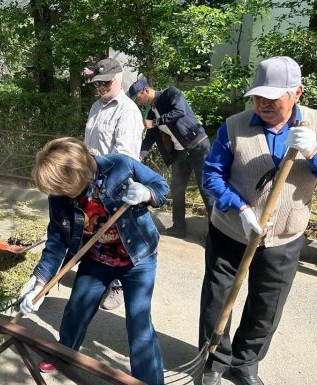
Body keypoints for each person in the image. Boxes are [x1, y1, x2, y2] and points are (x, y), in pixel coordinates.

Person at [199, 56, 317, 385]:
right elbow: (212, 176)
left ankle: (245, 362)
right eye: (258, 95)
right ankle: (214, 360)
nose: (262, 103)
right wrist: (240, 208)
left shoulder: (315, 126)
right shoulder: (234, 126)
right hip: (232, 230)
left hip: (285, 235)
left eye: (272, 96)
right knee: (217, 298)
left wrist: (314, 152)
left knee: (267, 305)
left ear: (297, 92)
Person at [19, 137, 168, 385]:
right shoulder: (59, 196)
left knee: (139, 323)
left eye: (64, 189)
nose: (60, 195)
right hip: (96, 258)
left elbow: (161, 186)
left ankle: (149, 380)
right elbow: (56, 239)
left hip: (138, 258)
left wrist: (147, 194)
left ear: (79, 173)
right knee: (76, 309)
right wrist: (39, 284)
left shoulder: (120, 165)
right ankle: (63, 354)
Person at [85, 58, 145, 311]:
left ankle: (118, 287)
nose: (101, 87)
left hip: (114, 184)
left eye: (106, 83)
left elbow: (125, 158)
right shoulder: (96, 107)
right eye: (97, 83)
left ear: (119, 78)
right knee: (95, 232)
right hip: (92, 180)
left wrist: (104, 183)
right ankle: (99, 277)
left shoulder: (128, 111)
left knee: (116, 237)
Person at [129, 79, 213, 239]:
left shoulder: (171, 93)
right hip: (180, 153)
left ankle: (215, 232)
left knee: (206, 189)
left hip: (198, 146)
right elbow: (150, 138)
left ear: (146, 91)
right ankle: (179, 227)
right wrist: (138, 156)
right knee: (177, 189)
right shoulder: (152, 112)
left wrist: (155, 122)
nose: (137, 102)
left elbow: (179, 111)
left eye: (137, 98)